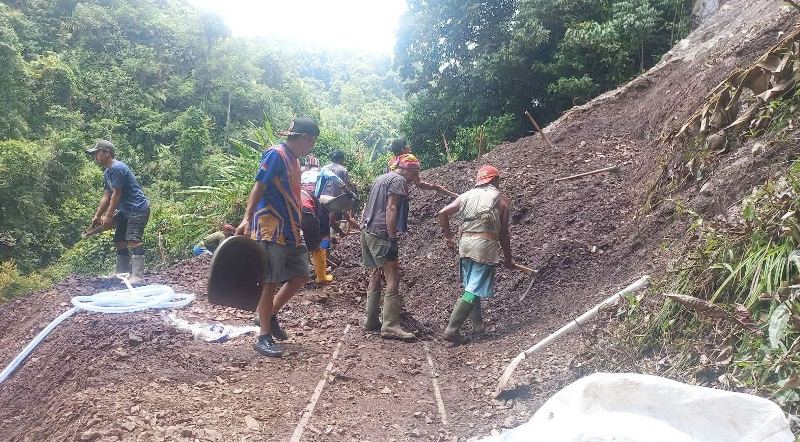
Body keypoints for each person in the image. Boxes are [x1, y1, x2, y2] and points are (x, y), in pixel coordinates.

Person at [237, 118, 318, 357]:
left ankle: (269, 315)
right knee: (270, 280)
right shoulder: (275, 154)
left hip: (291, 228)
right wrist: (246, 218)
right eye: (312, 141)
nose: (312, 146)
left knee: (302, 274)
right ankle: (263, 336)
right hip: (270, 226)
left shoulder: (294, 159)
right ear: (304, 138)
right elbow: (258, 186)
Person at [436, 164, 515, 343]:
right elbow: (504, 235)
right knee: (472, 289)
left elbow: (442, 214)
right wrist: (508, 258)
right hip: (484, 247)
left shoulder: (466, 196)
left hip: (465, 245)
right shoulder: (501, 200)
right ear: (495, 180)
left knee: (471, 286)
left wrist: (449, 238)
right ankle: (452, 329)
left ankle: (477, 326)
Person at [360, 154, 423, 341]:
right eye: (415, 174)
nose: (413, 179)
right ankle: (390, 325)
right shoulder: (398, 180)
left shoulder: (381, 178)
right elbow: (391, 208)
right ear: (409, 170)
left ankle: (371, 320)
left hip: (367, 230)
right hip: (381, 232)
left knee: (375, 273)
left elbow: (367, 207)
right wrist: (393, 238)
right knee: (392, 276)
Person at [86, 140, 151, 285]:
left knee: (133, 239)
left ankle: (138, 277)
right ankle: (122, 274)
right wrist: (97, 216)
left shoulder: (118, 168)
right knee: (120, 240)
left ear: (107, 153)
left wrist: (108, 216)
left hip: (137, 208)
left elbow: (117, 194)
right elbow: (107, 196)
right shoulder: (108, 172)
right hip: (125, 210)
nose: (95, 156)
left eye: (97, 153)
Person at [386, 138, 458, 232]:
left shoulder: (391, 163)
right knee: (395, 225)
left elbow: (419, 183)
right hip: (399, 198)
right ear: (402, 150)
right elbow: (416, 182)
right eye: (406, 145)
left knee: (391, 223)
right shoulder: (409, 159)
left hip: (390, 197)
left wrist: (435, 187)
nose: (409, 147)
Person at [300, 155, 334, 284]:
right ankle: (321, 275)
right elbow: (338, 181)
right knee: (320, 240)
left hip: (293, 205)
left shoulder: (301, 175)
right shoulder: (322, 172)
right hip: (310, 207)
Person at [321, 150, 360, 234]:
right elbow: (345, 188)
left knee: (324, 224)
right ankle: (334, 237)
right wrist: (352, 195)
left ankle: (332, 239)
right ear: (341, 159)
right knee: (334, 221)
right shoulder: (343, 170)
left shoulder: (324, 168)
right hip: (335, 201)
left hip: (322, 199)